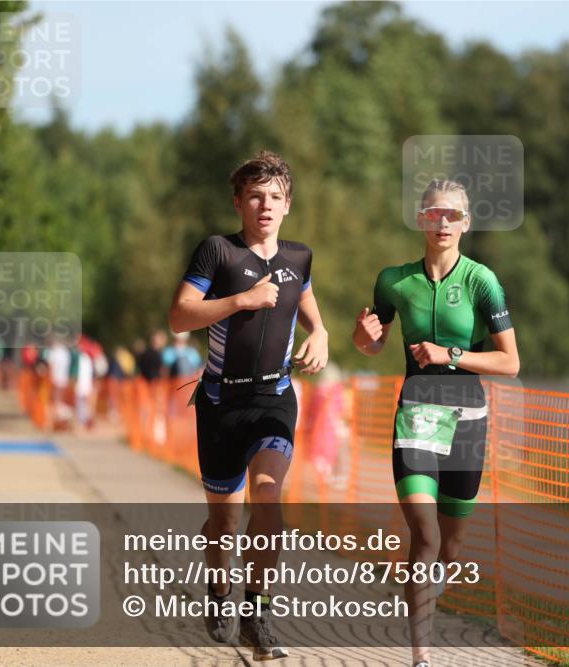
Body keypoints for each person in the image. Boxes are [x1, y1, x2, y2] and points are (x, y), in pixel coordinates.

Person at [352, 179, 520, 667]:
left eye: (452, 215)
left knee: (450, 545)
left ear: (465, 223)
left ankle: (432, 582)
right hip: (418, 416)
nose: (442, 222)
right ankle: (421, 656)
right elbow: (373, 343)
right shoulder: (393, 281)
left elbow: (510, 363)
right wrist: (363, 337)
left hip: (468, 419)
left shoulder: (481, 280)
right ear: (420, 219)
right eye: (432, 214)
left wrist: (452, 354)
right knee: (424, 535)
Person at [169, 149, 328, 660]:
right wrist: (241, 300)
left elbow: (304, 302)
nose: (266, 204)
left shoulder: (299, 258)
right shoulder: (217, 252)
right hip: (220, 402)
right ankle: (219, 595)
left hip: (274, 397)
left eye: (276, 197)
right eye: (256, 195)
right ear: (238, 201)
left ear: (288, 206)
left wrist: (320, 333)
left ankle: (257, 612)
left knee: (268, 501)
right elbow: (180, 316)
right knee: (224, 524)